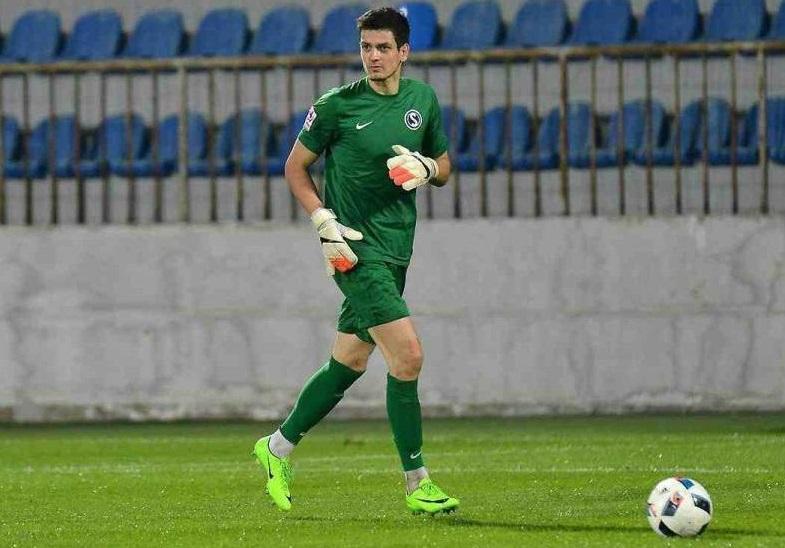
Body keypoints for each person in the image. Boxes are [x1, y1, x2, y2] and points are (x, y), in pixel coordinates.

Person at [252, 6, 459, 516]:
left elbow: (445, 166)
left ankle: (276, 448)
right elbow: (295, 168)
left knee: (350, 360)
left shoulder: (422, 100)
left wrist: (427, 167)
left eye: (384, 47)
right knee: (407, 357)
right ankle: (418, 483)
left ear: (404, 52)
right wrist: (322, 218)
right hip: (352, 248)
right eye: (366, 47)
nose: (373, 56)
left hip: (396, 249)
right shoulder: (336, 106)